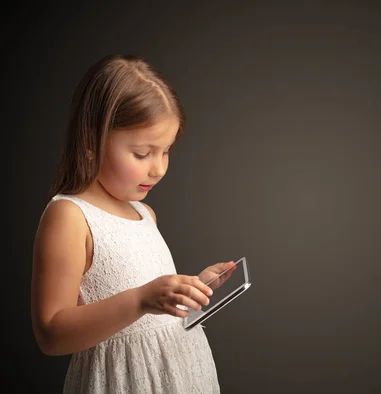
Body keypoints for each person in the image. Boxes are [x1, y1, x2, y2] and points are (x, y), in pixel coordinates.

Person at [30, 54, 236, 393]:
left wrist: (186, 291)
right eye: (142, 153)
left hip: (181, 375)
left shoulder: (144, 213)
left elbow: (152, 312)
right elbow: (51, 333)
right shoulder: (69, 216)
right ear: (91, 142)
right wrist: (141, 299)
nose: (158, 169)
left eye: (166, 151)